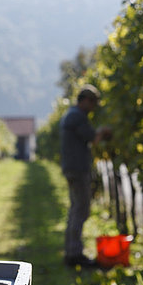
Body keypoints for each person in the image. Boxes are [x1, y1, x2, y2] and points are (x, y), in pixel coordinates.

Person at [60, 84, 112, 267]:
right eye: (93, 103)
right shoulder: (77, 117)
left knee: (76, 209)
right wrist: (104, 131)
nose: (93, 108)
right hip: (78, 169)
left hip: (71, 168)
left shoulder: (71, 114)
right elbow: (93, 139)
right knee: (81, 209)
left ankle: (71, 252)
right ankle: (74, 255)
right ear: (85, 100)